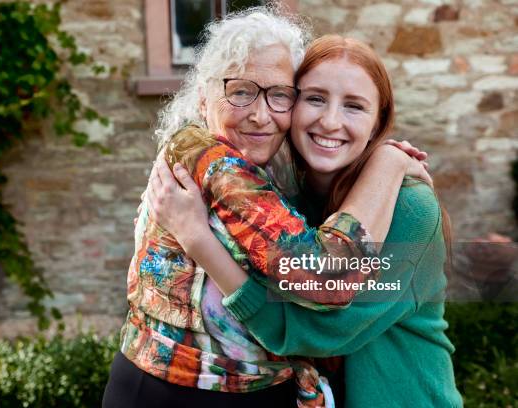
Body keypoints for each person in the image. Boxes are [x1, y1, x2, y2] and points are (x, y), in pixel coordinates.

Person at [101, 7, 430, 407]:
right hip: (180, 393)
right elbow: (325, 278)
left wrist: (199, 240)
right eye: (240, 91)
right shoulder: (217, 163)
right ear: (204, 99)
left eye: (278, 95)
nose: (259, 115)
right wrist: (389, 160)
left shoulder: (283, 177)